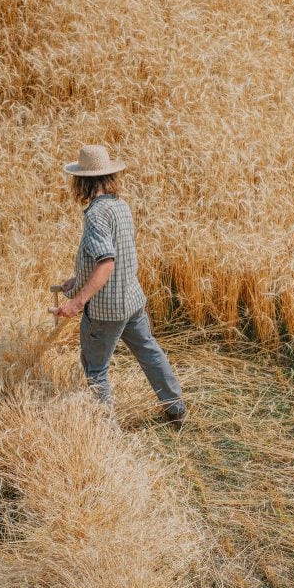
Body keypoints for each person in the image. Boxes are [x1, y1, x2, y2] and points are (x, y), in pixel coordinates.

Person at [50, 144, 186, 427]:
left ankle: (107, 435)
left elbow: (107, 262)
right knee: (149, 353)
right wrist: (78, 279)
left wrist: (77, 302)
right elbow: (113, 256)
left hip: (106, 311)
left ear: (81, 181)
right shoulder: (120, 207)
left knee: (95, 369)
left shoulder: (95, 215)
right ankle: (176, 410)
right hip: (132, 300)